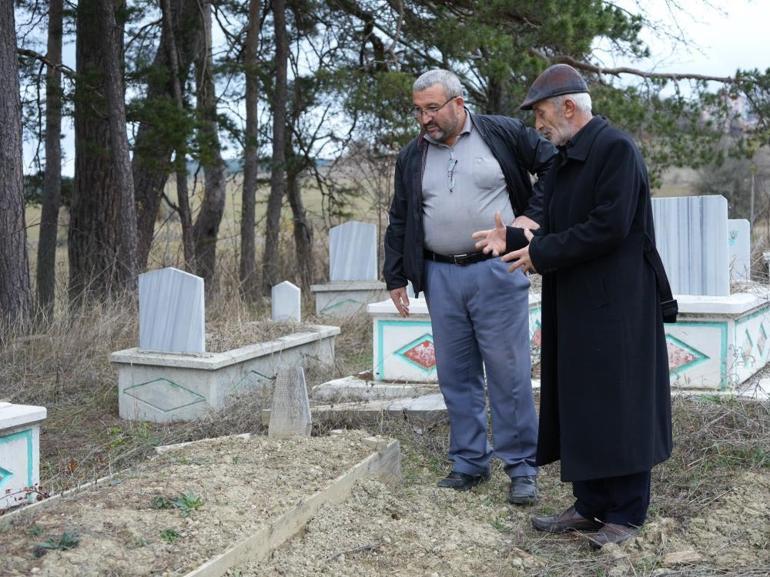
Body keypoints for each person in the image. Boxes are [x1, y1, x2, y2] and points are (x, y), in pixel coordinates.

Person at [473, 64, 672, 547]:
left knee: (620, 405)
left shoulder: (615, 150)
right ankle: (590, 505)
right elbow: (550, 217)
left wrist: (539, 252)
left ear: (568, 107)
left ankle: (625, 513)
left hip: (619, 304)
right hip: (578, 301)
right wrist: (515, 235)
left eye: (541, 113)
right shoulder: (564, 159)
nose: (537, 125)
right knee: (582, 401)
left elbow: (609, 225)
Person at [383, 69, 556, 504]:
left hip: (496, 269)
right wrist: (396, 273)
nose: (425, 119)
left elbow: (555, 166)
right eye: (418, 110)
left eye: (433, 108)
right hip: (440, 274)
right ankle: (469, 462)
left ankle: (521, 467)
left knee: (508, 372)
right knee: (456, 374)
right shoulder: (413, 155)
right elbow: (401, 215)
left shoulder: (501, 133)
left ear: (458, 104)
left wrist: (529, 221)